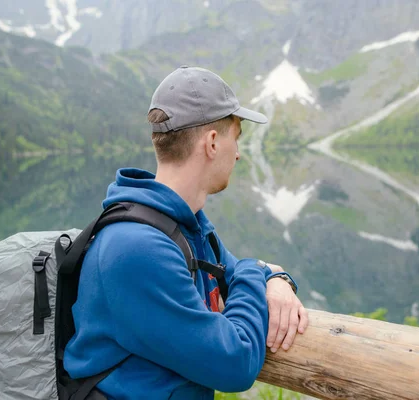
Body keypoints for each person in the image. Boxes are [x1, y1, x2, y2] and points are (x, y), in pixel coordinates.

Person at [64, 66, 308, 399]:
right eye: (235, 138)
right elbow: (235, 364)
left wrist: (278, 280)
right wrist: (261, 270)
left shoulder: (186, 226)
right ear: (211, 143)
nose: (237, 153)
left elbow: (238, 275)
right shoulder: (136, 247)